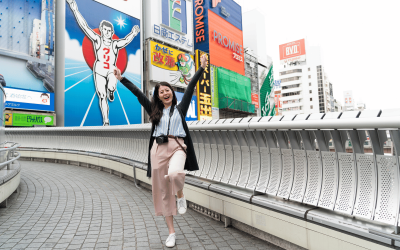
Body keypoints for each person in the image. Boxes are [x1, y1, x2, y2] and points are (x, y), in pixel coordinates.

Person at [113, 54, 208, 248]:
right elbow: (138, 93)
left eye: (167, 90)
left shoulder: (180, 109)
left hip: (178, 147)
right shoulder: (153, 110)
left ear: (172, 93)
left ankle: (180, 195)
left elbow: (191, 87)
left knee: (175, 174)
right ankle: (171, 233)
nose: (165, 93)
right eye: (161, 91)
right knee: (163, 193)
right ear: (157, 96)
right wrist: (121, 78)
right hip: (157, 149)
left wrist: (202, 68)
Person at [66, 0, 140, 126]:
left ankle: (112, 90)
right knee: (101, 95)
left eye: (109, 31)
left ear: (112, 33)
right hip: (99, 69)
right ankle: (106, 120)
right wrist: (74, 9)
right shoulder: (97, 40)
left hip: (111, 70)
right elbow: (85, 27)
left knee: (111, 87)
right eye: (104, 30)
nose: (106, 32)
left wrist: (133, 33)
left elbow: (125, 41)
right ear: (101, 30)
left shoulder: (115, 44)